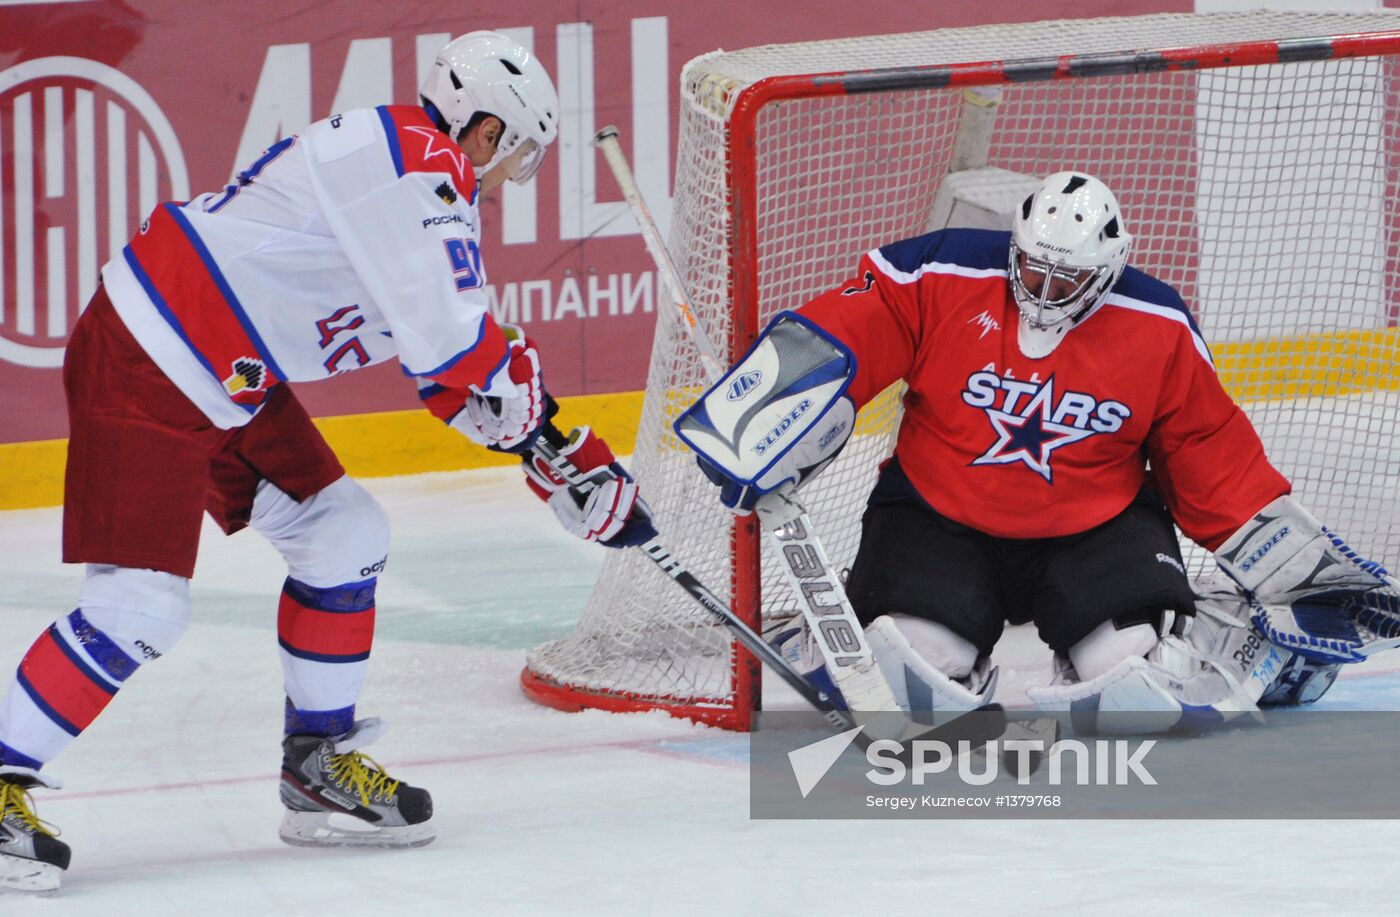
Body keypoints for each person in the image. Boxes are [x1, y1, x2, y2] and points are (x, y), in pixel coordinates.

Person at [0, 31, 652, 895]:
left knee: (343, 533)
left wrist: (556, 460)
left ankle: (316, 763)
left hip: (224, 372)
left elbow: (451, 382)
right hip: (152, 353)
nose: (509, 179)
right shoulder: (418, 167)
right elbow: (465, 350)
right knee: (139, 607)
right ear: (485, 130)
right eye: (517, 154)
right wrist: (573, 451)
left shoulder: (409, 183)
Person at [677, 170, 1398, 735]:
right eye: (1032, 268)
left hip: (1097, 525)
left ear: (1109, 271)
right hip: (939, 514)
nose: (1042, 290)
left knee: (1133, 682)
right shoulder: (940, 274)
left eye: (1067, 279)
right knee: (919, 667)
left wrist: (1293, 563)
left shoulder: (1158, 324)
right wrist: (754, 417)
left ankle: (1236, 641)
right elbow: (849, 325)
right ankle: (852, 629)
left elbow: (1208, 453)